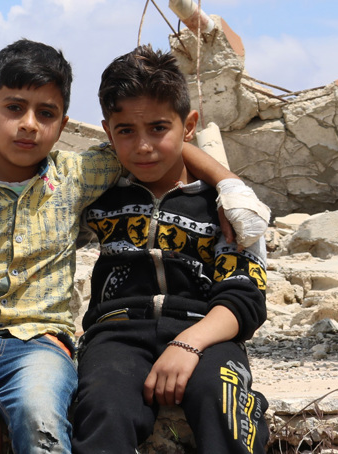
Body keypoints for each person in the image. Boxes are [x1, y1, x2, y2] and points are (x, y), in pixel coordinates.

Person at [0, 39, 249, 454]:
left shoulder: (76, 175)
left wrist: (229, 185)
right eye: (14, 108)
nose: (29, 124)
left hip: (38, 348)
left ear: (62, 125)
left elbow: (160, 137)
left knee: (40, 418)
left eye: (45, 114)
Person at [69, 45, 269, 454]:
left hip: (208, 333)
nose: (143, 146)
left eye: (159, 128)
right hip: (116, 334)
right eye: (126, 131)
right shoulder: (98, 192)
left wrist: (188, 344)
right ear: (108, 132)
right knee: (102, 405)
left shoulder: (228, 205)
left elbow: (245, 296)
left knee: (223, 401)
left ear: (189, 125)